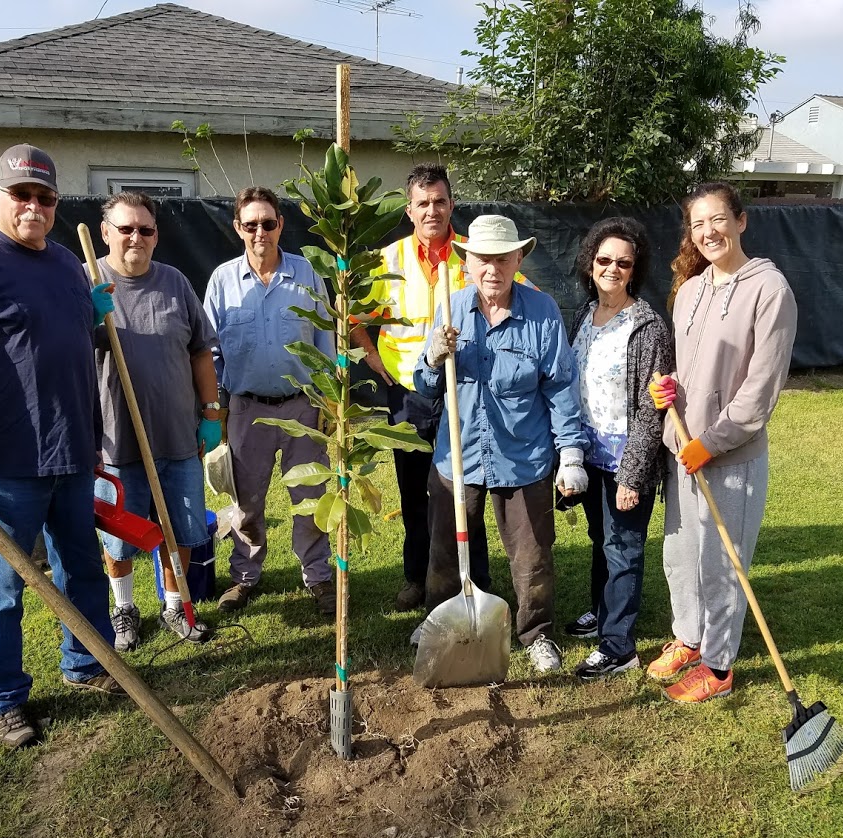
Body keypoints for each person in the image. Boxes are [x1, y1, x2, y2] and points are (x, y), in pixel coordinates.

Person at [0, 144, 123, 751]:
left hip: (70, 452)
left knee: (82, 567)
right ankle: (4, 697)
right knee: (5, 586)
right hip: (6, 464)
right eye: (21, 195)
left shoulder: (68, 266)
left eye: (45, 197)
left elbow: (81, 361)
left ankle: (87, 664)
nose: (33, 206)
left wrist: (91, 439)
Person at [413, 215, 589, 675]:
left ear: (518, 259)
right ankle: (444, 621)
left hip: (523, 458)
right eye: (483, 259)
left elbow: (561, 386)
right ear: (467, 262)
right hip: (460, 455)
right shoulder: (450, 309)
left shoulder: (542, 312)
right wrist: (433, 358)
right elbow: (425, 385)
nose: (492, 268)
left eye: (502, 258)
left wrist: (570, 453)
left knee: (531, 556)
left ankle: (536, 633)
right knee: (446, 552)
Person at [647, 181, 798, 703]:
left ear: (740, 222)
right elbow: (688, 365)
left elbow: (760, 390)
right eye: (698, 224)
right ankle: (689, 638)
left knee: (722, 565)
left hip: (729, 456)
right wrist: (669, 388)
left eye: (717, 220)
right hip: (683, 450)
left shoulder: (769, 290)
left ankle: (717, 667)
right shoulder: (690, 289)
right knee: (680, 555)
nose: (708, 232)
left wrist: (711, 442)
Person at [350, 164, 501, 611]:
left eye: (439, 201)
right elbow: (356, 318)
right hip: (409, 396)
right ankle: (418, 578)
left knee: (466, 488)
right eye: (422, 203)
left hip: (465, 390)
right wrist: (375, 359)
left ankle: (477, 578)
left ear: (451, 204)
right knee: (415, 490)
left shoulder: (473, 255)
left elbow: (514, 297)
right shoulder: (387, 260)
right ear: (410, 210)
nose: (432, 210)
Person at [89, 191, 221, 651]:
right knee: (121, 537)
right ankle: (124, 609)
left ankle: (173, 605)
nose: (135, 238)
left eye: (145, 230)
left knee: (180, 528)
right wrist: (87, 317)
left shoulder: (174, 283)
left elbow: (201, 351)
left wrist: (211, 414)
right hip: (116, 439)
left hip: (177, 436)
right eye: (125, 229)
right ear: (106, 233)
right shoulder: (88, 279)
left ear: (156, 235)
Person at [203, 186, 337, 617]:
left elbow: (326, 342)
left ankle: (318, 576)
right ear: (238, 229)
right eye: (250, 224)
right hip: (246, 409)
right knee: (246, 501)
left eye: (268, 222)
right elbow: (210, 352)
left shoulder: (307, 276)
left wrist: (330, 403)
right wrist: (217, 409)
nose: (260, 231)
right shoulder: (222, 281)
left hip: (304, 404)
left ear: (280, 225)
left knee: (311, 495)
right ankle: (244, 576)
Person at [565, 217, 674, 680]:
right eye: (604, 259)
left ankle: (619, 646)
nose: (612, 268)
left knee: (624, 546)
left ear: (635, 270)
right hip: (589, 454)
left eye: (623, 263)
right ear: (590, 263)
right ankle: (601, 611)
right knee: (600, 539)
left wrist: (633, 473)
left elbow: (653, 410)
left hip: (627, 457)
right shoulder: (584, 315)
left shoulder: (647, 327)